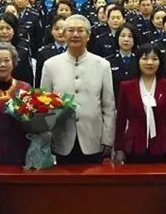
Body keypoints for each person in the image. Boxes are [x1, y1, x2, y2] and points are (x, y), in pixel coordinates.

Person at [40, 15, 115, 164]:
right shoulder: (50, 65)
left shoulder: (102, 65)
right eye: (71, 30)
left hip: (93, 139)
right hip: (60, 140)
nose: (75, 34)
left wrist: (107, 139)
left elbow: (109, 106)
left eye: (80, 30)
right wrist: (46, 137)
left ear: (88, 36)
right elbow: (44, 105)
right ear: (64, 34)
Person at [113, 43, 166, 164]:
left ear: (160, 62)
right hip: (134, 147)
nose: (150, 63)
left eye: (154, 59)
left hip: (162, 147)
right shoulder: (126, 86)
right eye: (145, 58)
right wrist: (119, 149)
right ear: (138, 61)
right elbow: (121, 119)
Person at [0, 13, 34, 85]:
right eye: (1, 28)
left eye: (8, 28)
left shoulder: (23, 53)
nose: (4, 32)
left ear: (14, 31)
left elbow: (28, 80)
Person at [106, 23, 141, 101]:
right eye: (122, 35)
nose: (126, 39)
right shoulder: (108, 62)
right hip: (115, 102)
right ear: (117, 38)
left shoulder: (140, 60)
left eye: (130, 36)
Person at [35, 18, 67, 87]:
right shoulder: (43, 52)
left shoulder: (75, 51)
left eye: (64, 29)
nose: (60, 32)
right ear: (51, 31)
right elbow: (38, 79)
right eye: (56, 29)